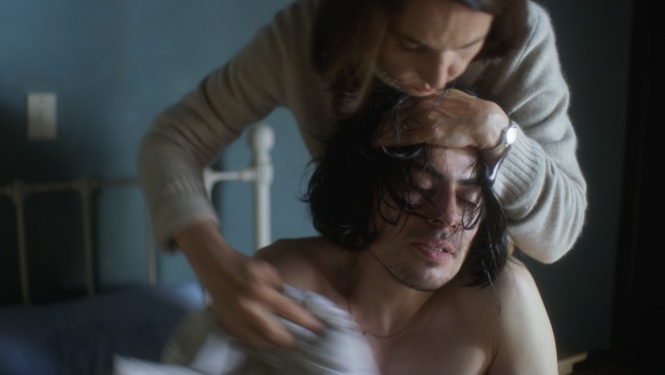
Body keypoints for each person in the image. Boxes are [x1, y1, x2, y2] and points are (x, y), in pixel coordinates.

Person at [138, 0, 587, 349]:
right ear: (362, 11)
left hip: (466, 304)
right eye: (412, 44)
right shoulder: (305, 36)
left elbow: (558, 235)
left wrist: (498, 133)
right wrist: (212, 262)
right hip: (359, 295)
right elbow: (173, 139)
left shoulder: (521, 41)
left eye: (466, 47)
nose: (438, 75)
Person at [116, 85, 557, 374]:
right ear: (364, 191)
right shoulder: (287, 285)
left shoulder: (503, 304)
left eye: (470, 198)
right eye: (419, 187)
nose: (447, 216)